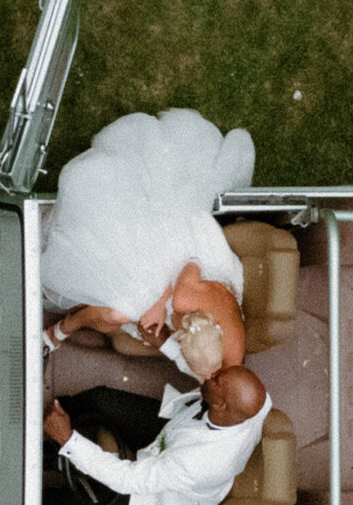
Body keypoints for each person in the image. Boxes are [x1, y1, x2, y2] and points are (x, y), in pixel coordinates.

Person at [38, 109, 254, 378]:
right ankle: (63, 328)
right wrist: (158, 304)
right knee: (116, 313)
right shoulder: (189, 300)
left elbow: (186, 362)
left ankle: (69, 323)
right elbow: (191, 261)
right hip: (184, 261)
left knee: (116, 310)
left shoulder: (209, 362)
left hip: (177, 300)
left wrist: (161, 341)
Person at [41, 364, 270, 505]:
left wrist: (68, 439)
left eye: (216, 380)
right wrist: (163, 343)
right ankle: (46, 423)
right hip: (172, 433)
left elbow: (126, 479)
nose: (210, 375)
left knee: (64, 502)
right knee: (100, 399)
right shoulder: (257, 403)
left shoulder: (200, 463)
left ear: (221, 405)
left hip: (156, 495)